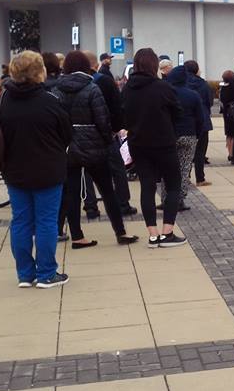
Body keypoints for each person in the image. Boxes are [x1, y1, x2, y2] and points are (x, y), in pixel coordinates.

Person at [51, 51, 138, 249]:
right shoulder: (92, 88)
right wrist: (107, 140)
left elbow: (54, 120)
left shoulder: (57, 90)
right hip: (93, 146)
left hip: (68, 147)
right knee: (107, 190)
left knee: (71, 192)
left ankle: (77, 236)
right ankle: (120, 231)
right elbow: (102, 119)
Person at [1, 51, 72, 287]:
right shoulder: (50, 101)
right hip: (48, 170)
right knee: (46, 221)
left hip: (14, 170)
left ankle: (25, 274)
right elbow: (66, 135)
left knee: (20, 221)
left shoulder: (4, 100)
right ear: (38, 72)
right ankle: (46, 273)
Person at [122, 48, 187, 249]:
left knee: (147, 187)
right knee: (173, 185)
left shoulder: (127, 89)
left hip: (138, 143)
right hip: (164, 142)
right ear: (153, 65)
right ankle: (167, 232)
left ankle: (152, 234)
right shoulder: (162, 88)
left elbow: (121, 116)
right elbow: (178, 113)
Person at [81, 51, 137, 219]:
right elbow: (117, 106)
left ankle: (90, 206)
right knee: (117, 168)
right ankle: (122, 204)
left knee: (87, 172)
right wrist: (118, 128)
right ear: (95, 64)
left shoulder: (69, 83)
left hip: (80, 135)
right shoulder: (104, 80)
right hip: (105, 133)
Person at [162, 66, 205, 211]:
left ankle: (165, 198)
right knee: (184, 168)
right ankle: (179, 199)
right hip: (188, 134)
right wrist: (197, 134)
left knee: (166, 168)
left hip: (168, 135)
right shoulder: (192, 95)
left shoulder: (165, 94)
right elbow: (200, 118)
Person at [185, 60, 214, 187]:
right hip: (202, 121)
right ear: (197, 70)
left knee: (186, 152)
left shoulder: (182, 83)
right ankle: (200, 178)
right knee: (201, 151)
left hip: (186, 121)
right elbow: (210, 102)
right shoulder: (204, 84)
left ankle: (185, 176)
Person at [218, 70, 234, 160]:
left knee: (228, 134)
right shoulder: (233, 88)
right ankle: (233, 153)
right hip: (233, 112)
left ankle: (230, 153)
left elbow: (221, 101)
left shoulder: (222, 88)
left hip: (226, 113)